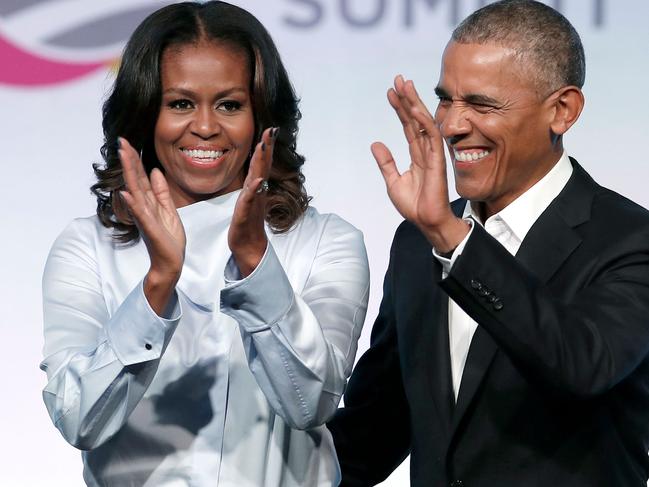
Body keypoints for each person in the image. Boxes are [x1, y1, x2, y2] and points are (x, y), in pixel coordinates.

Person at [40, 2, 369, 486]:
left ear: (263, 118)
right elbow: (79, 420)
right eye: (180, 103)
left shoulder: (327, 241)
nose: (206, 127)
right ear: (145, 112)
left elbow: (309, 403)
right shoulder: (86, 246)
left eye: (230, 104)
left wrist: (256, 262)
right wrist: (157, 286)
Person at [327, 1, 649, 486]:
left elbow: (583, 365)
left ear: (562, 110)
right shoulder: (418, 243)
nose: (452, 126)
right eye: (446, 100)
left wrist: (452, 240)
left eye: (481, 104)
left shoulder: (629, 239)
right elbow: (375, 431)